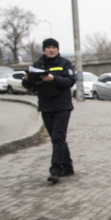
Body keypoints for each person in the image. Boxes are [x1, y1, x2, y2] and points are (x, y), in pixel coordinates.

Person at [22, 38, 77, 184]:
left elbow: (70, 81)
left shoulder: (64, 64)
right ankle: (68, 166)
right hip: (46, 106)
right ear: (44, 49)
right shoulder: (38, 64)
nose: (51, 50)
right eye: (48, 47)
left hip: (62, 106)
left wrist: (53, 79)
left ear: (57, 49)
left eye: (54, 47)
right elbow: (29, 84)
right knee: (57, 138)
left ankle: (55, 170)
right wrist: (27, 79)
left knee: (58, 138)